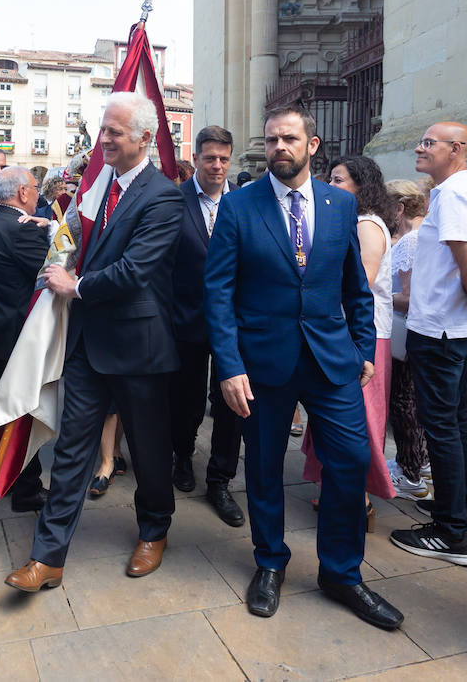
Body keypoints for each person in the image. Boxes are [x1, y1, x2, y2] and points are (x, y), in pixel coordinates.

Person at [202, 107, 401, 628]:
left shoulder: (341, 205)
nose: (278, 148)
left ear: (312, 145)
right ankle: (270, 562)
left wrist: (361, 348)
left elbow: (356, 286)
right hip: (262, 363)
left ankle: (342, 572)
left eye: (289, 139)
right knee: (265, 467)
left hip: (331, 359)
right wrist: (228, 365)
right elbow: (217, 293)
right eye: (271, 140)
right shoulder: (240, 206)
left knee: (351, 460)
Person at [5, 91, 182, 592]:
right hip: (88, 346)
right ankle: (48, 557)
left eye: (113, 133)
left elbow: (137, 270)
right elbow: (85, 243)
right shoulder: (100, 186)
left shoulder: (163, 195)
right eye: (102, 130)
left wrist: (74, 285)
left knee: (148, 451)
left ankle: (154, 530)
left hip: (140, 348)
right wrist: (59, 254)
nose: (101, 140)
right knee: (72, 450)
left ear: (145, 139)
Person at [389, 122, 467, 566]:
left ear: (456, 149)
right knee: (455, 425)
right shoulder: (464, 191)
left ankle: (451, 533)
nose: (418, 148)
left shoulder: (458, 194)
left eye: (428, 143)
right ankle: (462, 508)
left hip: (440, 331)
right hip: (452, 330)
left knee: (441, 427)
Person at [303, 155, 397, 523]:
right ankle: (337, 489)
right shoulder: (351, 221)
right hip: (338, 334)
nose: (331, 185)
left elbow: (361, 285)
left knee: (359, 420)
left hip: (362, 337)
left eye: (339, 180)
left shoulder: (367, 226)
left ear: (362, 186)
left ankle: (358, 501)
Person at [169, 125, 245, 527]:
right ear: (196, 158)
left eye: (223, 159)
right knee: (186, 398)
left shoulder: (247, 203)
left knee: (232, 404)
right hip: (187, 319)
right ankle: (182, 456)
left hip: (237, 324)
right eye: (209, 158)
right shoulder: (174, 201)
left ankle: (220, 479)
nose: (217, 165)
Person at [0, 166, 51, 512]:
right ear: (22, 193)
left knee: (3, 412)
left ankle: (8, 480)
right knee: (19, 414)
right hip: (13, 338)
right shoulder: (22, 229)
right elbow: (52, 270)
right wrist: (53, 234)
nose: (37, 193)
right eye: (34, 187)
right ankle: (25, 488)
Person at [385, 179, 432, 501]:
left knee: (404, 404)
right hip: (408, 333)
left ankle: (411, 472)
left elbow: (411, 297)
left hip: (405, 333)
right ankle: (419, 463)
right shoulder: (418, 237)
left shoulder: (412, 241)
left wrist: (375, 295)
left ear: (399, 208)